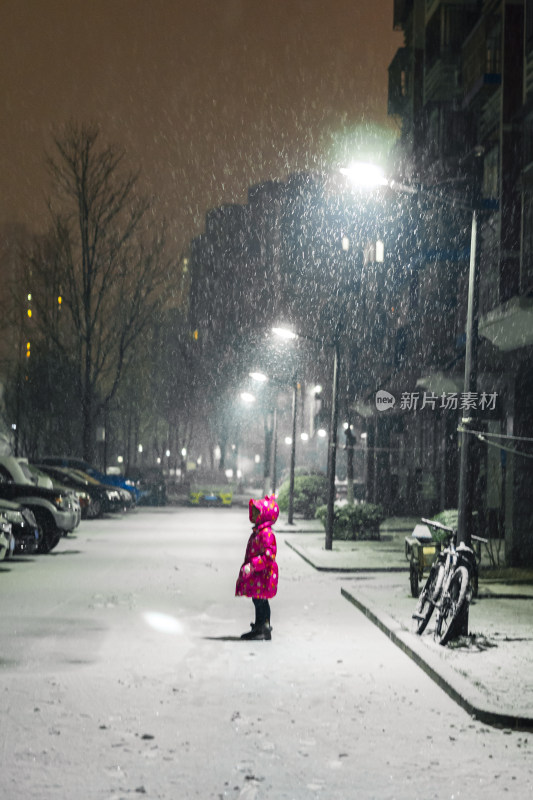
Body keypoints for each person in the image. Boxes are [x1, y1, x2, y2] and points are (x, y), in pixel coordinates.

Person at [235, 494, 279, 640]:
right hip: (259, 575)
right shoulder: (260, 532)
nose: (252, 515)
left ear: (264, 515)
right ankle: (262, 625)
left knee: (260, 601)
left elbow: (268, 556)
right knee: (259, 600)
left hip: (263, 574)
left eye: (256, 512)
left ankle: (263, 627)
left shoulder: (265, 534)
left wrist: (253, 566)